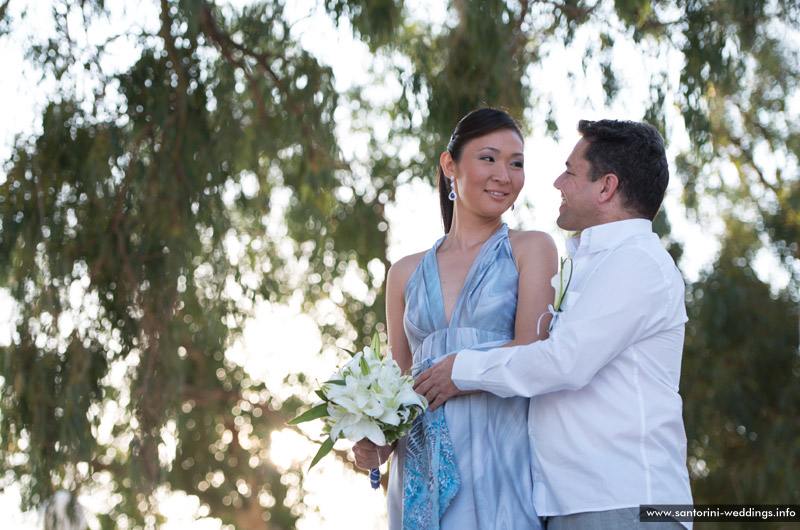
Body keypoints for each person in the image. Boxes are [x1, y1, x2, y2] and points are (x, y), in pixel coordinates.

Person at [414, 119, 694, 529]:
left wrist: (462, 369)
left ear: (606, 187)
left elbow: (565, 362)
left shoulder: (638, 262)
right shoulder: (588, 264)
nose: (557, 183)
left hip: (625, 502)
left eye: (570, 171)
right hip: (569, 504)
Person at [352, 107, 558, 529]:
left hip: (501, 461)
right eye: (489, 158)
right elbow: (400, 390)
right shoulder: (404, 273)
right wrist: (375, 444)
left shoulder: (532, 249)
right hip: (419, 472)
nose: (505, 174)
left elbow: (536, 355)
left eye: (516, 163)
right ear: (450, 165)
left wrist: (459, 373)